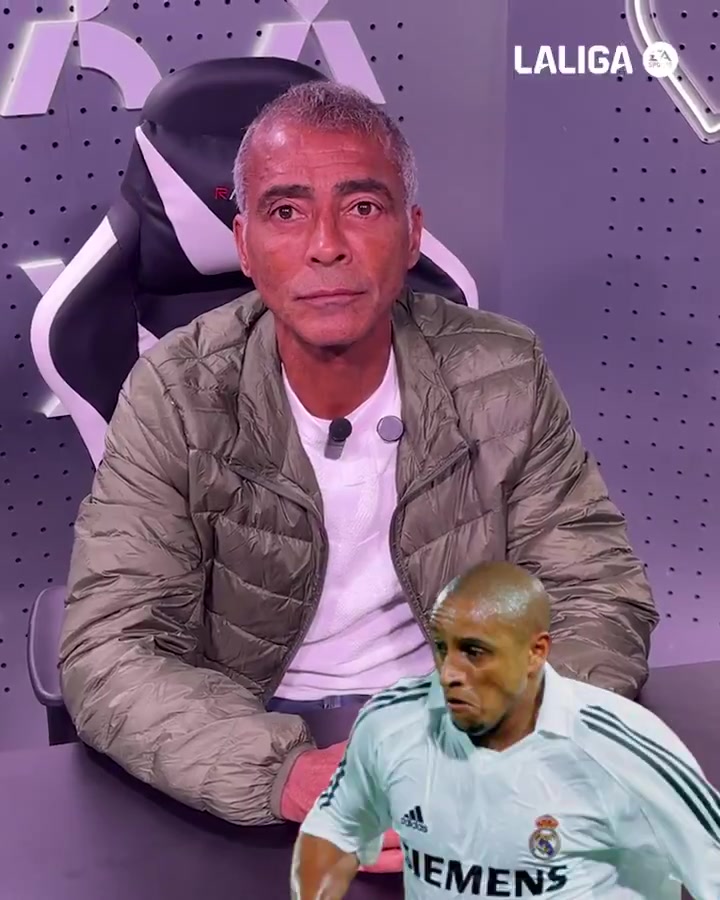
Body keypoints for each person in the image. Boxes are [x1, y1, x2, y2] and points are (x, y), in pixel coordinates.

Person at [58, 79, 657, 856]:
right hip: (251, 724)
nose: (326, 244)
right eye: (286, 211)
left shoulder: (503, 369)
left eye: (363, 207)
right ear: (244, 245)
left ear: (412, 236)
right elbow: (110, 646)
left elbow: (596, 593)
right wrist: (285, 774)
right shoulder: (175, 392)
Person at [292, 561, 720, 899]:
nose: (451, 673)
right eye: (442, 649)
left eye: (476, 651)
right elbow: (329, 838)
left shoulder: (626, 747)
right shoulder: (387, 728)